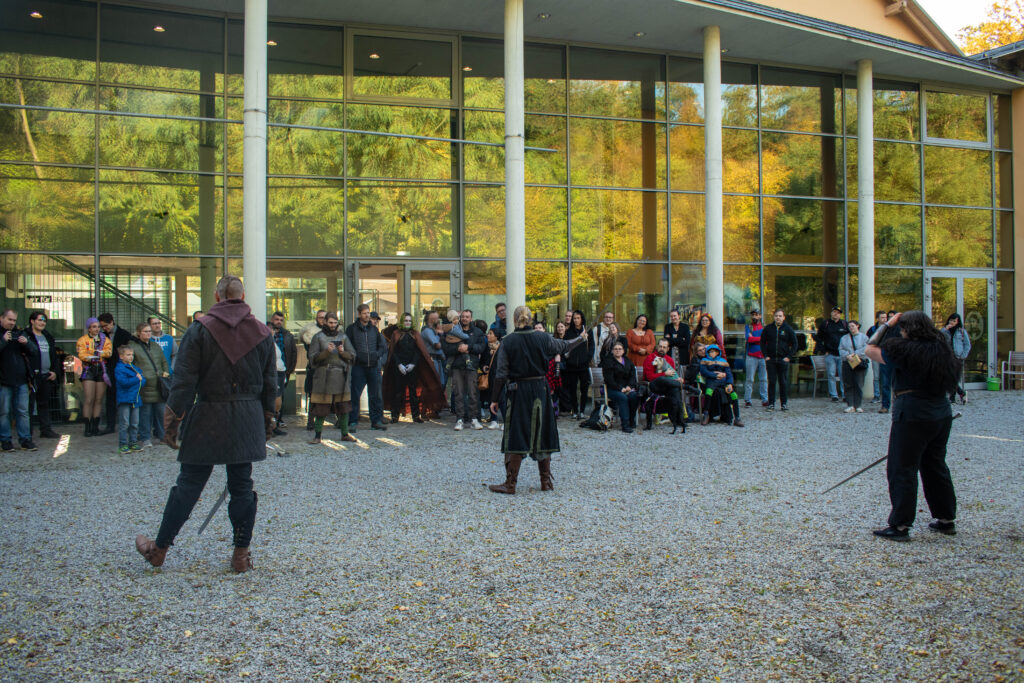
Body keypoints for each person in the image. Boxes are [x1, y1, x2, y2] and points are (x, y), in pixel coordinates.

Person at [135, 275, 276, 573]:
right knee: (242, 486)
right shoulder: (263, 332)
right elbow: (270, 384)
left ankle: (159, 550)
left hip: (209, 416)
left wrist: (172, 422)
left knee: (188, 484)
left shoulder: (200, 330)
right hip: (247, 417)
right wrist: (267, 420)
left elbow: (184, 381)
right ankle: (241, 556)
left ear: (217, 296)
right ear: (243, 296)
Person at [865, 311, 959, 541]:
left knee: (902, 467)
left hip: (912, 411)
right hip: (940, 411)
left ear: (908, 329)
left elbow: (870, 349)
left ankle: (900, 525)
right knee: (935, 465)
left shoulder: (904, 349)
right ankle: (946, 519)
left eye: (903, 328)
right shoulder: (942, 349)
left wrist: (887, 324)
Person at [487, 305, 586, 494]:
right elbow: (564, 346)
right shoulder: (543, 337)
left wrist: (494, 399)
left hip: (519, 391)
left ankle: (510, 484)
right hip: (541, 389)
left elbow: (501, 373)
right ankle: (545, 482)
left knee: (517, 433)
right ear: (531, 319)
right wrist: (581, 338)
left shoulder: (508, 341)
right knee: (543, 432)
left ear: (514, 320)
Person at [383, 313, 445, 424]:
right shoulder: (396, 333)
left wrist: (413, 364)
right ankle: (395, 415)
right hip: (399, 368)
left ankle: (416, 416)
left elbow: (418, 351)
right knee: (397, 392)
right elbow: (393, 351)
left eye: (409, 321)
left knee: (413, 392)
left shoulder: (415, 334)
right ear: (402, 321)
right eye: (406, 320)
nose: (407, 323)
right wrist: (399, 364)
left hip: (412, 367)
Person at [307, 312, 356, 444]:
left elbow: (352, 355)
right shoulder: (318, 337)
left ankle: (345, 433)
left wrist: (342, 352)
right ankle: (317, 435)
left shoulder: (343, 336)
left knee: (344, 407)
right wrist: (326, 352)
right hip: (324, 376)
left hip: (341, 375)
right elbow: (312, 358)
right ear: (325, 322)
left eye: (335, 323)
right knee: (321, 407)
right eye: (330, 322)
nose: (333, 325)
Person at [346, 304, 389, 433]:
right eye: (364, 313)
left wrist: (376, 355)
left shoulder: (374, 329)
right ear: (359, 314)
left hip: (373, 366)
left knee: (375, 395)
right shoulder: (352, 329)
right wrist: (355, 356)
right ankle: (352, 421)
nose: (367, 315)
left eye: (368, 313)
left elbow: (382, 346)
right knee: (355, 395)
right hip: (358, 366)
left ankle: (375, 421)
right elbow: (347, 345)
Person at [443, 309, 486, 430]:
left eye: (467, 317)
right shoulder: (453, 329)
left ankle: (474, 419)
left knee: (473, 393)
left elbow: (481, 347)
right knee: (458, 394)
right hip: (457, 366)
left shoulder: (477, 332)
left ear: (471, 318)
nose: (465, 319)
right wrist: (458, 349)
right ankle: (460, 419)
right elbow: (446, 348)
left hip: (471, 366)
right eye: (463, 316)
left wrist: (468, 347)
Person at [0, 310, 37, 452]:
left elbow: (34, 351)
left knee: (23, 411)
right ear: (1, 318)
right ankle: (5, 441)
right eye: (9, 319)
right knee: (4, 412)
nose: (12, 323)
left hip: (21, 380)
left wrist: (27, 343)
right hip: (3, 380)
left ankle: (25, 440)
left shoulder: (20, 333)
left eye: (14, 320)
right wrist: (3, 341)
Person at [129, 322, 170, 448]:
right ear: (139, 333)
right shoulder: (133, 347)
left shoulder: (156, 346)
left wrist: (166, 372)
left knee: (161, 412)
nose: (148, 333)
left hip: (158, 384)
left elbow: (163, 361)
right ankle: (145, 437)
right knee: (145, 414)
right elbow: (131, 365)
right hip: (144, 385)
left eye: (149, 331)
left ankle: (163, 436)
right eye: (145, 331)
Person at [24, 311, 62, 439]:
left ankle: (45, 430)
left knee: (44, 404)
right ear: (32, 321)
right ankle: (27, 433)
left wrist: (55, 371)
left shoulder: (47, 336)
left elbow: (54, 356)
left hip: (46, 375)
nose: (42, 323)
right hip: (32, 377)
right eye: (39, 320)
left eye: (44, 320)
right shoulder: (26, 336)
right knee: (29, 405)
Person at [76, 317, 112, 437]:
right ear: (89, 328)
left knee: (98, 399)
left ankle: (95, 427)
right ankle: (87, 427)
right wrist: (94, 355)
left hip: (101, 369)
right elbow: (82, 354)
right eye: (94, 327)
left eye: (98, 327)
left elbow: (109, 352)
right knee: (89, 399)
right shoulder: (83, 340)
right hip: (89, 369)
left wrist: (100, 353)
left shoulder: (105, 339)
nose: (97, 329)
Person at [642, 338, 688, 433]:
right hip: (654, 385)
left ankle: (680, 419)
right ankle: (684, 386)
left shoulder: (669, 360)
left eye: (664, 347)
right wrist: (664, 374)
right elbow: (649, 377)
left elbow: (672, 376)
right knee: (668, 382)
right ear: (657, 347)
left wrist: (677, 379)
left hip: (667, 386)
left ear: (668, 349)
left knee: (675, 390)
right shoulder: (650, 358)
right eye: (660, 346)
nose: (662, 349)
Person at [98, 312, 132, 436]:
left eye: (106, 325)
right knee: (110, 398)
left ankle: (127, 425)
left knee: (125, 399)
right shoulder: (103, 335)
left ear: (112, 322)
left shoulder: (124, 334)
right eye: (102, 326)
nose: (104, 328)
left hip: (122, 369)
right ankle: (110, 425)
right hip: (109, 370)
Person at [760, 308, 797, 411]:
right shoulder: (768, 328)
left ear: (783, 317)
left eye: (780, 316)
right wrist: (765, 355)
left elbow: (795, 343)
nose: (778, 318)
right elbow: (762, 342)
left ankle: (783, 404)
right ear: (774, 317)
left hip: (782, 360)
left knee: (783, 382)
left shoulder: (788, 329)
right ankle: (771, 404)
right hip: (771, 360)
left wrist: (789, 357)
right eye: (776, 316)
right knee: (771, 382)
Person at [699, 344, 744, 427]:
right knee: (708, 392)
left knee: (734, 395)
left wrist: (729, 383)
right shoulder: (704, 360)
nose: (711, 353)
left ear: (717, 352)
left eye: (713, 351)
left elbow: (729, 373)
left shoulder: (723, 361)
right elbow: (704, 372)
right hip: (711, 381)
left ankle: (737, 418)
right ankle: (706, 414)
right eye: (710, 352)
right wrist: (716, 375)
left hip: (723, 382)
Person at [268, 311, 297, 435]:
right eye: (276, 319)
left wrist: (289, 370)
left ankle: (277, 421)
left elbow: (293, 353)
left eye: (281, 320)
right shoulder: (266, 336)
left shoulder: (287, 335)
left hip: (283, 371)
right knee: (273, 398)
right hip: (270, 372)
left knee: (280, 397)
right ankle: (270, 425)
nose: (279, 322)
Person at [601, 341, 640, 433]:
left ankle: (631, 420)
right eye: (615, 349)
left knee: (634, 396)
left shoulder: (627, 361)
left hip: (627, 388)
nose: (617, 351)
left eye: (619, 349)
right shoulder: (608, 362)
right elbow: (609, 379)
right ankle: (625, 425)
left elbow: (632, 376)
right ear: (612, 351)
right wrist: (620, 388)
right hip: (612, 389)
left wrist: (629, 386)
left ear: (623, 351)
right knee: (623, 398)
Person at [114, 344, 145, 454]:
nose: (131, 357)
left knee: (135, 423)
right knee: (124, 424)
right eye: (128, 355)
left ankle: (133, 442)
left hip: (135, 399)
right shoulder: (119, 368)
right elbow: (124, 382)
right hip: (125, 399)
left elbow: (143, 380)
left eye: (132, 354)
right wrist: (136, 379)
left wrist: (138, 380)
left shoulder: (134, 368)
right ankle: (123, 444)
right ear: (121, 356)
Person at [300, 310, 327, 430]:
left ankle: (338, 419)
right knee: (313, 395)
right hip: (315, 367)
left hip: (329, 367)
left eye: (324, 317)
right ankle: (311, 421)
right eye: (320, 317)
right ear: (316, 318)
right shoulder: (309, 334)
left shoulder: (334, 333)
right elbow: (311, 351)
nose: (322, 320)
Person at [562, 311, 591, 419]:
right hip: (572, 365)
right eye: (574, 318)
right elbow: (565, 346)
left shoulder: (587, 331)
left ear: (581, 319)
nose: (576, 320)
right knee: (572, 389)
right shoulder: (568, 332)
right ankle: (575, 411)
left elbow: (592, 347)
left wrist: (587, 358)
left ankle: (582, 411)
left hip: (584, 365)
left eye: (578, 318)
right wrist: (568, 359)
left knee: (584, 389)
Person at [815, 306, 847, 402]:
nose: (836, 314)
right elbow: (818, 338)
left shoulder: (844, 324)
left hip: (842, 354)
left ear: (840, 314)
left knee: (843, 375)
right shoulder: (825, 324)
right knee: (831, 375)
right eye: (834, 312)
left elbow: (849, 338)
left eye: (838, 312)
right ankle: (834, 395)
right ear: (831, 313)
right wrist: (824, 350)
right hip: (830, 354)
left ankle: (845, 395)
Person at [940, 313, 971, 404]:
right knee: (947, 376)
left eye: (954, 321)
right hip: (947, 356)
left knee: (953, 377)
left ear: (958, 322)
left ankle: (952, 397)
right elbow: (938, 338)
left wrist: (963, 355)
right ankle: (961, 393)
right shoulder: (945, 330)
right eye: (951, 320)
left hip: (958, 357)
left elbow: (967, 344)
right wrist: (945, 329)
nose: (952, 322)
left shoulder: (961, 331)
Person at [839, 320, 869, 413]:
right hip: (847, 362)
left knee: (859, 384)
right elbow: (841, 349)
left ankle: (858, 405)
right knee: (848, 384)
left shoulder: (864, 337)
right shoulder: (844, 338)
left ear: (857, 326)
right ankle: (850, 405)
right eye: (849, 326)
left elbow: (866, 348)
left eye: (853, 326)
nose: (851, 328)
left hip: (859, 362)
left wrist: (854, 354)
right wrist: (847, 355)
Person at [877, 310, 901, 414]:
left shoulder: (901, 329)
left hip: (897, 358)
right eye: (889, 317)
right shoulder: (884, 328)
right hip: (885, 357)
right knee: (885, 383)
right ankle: (885, 405)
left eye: (892, 316)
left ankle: (898, 405)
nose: (890, 318)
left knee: (898, 383)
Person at [743, 308, 768, 408]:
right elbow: (748, 339)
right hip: (751, 356)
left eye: (756, 314)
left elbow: (767, 340)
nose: (754, 316)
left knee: (764, 379)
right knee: (749, 379)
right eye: (753, 315)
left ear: (760, 316)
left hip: (763, 356)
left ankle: (765, 399)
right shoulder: (748, 326)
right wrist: (760, 339)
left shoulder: (765, 327)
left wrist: (755, 338)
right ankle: (748, 400)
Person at [420, 310, 447, 392]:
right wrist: (440, 335)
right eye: (437, 318)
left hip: (437, 360)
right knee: (435, 385)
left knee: (439, 385)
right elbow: (437, 345)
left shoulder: (432, 330)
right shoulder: (427, 331)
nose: (438, 320)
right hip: (432, 361)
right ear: (432, 319)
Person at [865, 311, 888, 403]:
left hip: (886, 354)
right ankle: (877, 396)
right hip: (876, 354)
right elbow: (868, 340)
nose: (885, 319)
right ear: (877, 318)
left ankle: (886, 396)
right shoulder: (872, 329)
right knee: (876, 376)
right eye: (882, 317)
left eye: (885, 317)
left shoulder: (889, 328)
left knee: (886, 376)